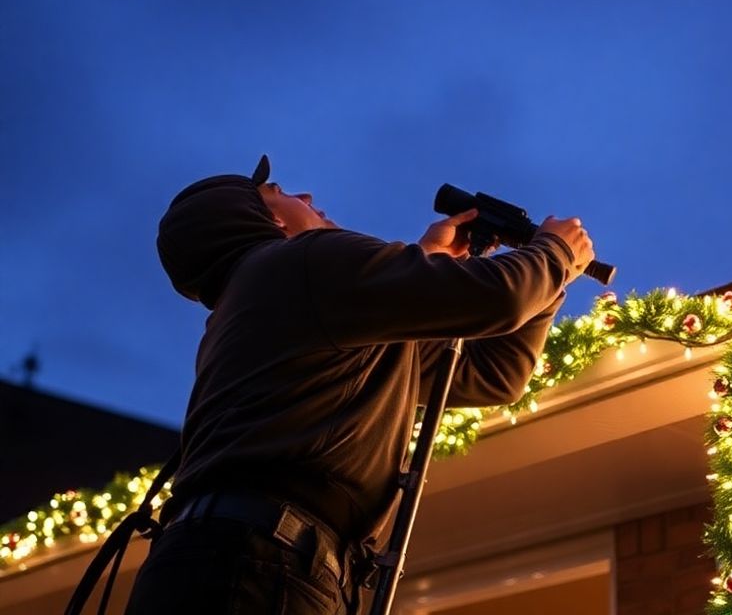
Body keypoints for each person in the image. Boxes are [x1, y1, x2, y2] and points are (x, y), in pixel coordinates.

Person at [125, 155, 593, 614]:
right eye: (279, 192)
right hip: (260, 567)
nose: (306, 195)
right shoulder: (301, 260)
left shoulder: (262, 299)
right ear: (270, 221)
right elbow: (502, 297)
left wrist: (529, 278)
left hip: (236, 562)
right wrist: (553, 251)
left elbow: (494, 374)